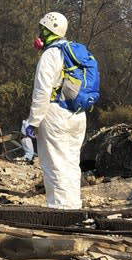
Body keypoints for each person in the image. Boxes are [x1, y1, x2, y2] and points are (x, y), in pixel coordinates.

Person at [25, 11, 86, 209]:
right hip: (78, 116)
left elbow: (42, 92)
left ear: (49, 31)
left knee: (54, 164)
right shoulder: (74, 54)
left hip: (55, 115)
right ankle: (73, 206)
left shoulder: (50, 55)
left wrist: (32, 122)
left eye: (42, 30)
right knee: (70, 163)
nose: (39, 34)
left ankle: (59, 210)